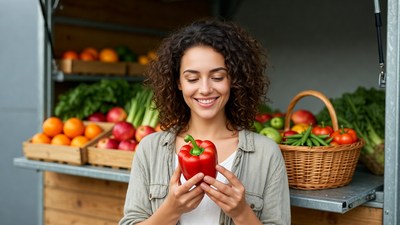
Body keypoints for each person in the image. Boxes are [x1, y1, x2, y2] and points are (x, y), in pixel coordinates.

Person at [119, 18, 291, 225]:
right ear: (178, 83)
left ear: (234, 80)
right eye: (192, 78)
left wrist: (242, 213)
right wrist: (170, 210)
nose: (205, 89)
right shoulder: (150, 149)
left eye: (217, 77)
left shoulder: (266, 154)